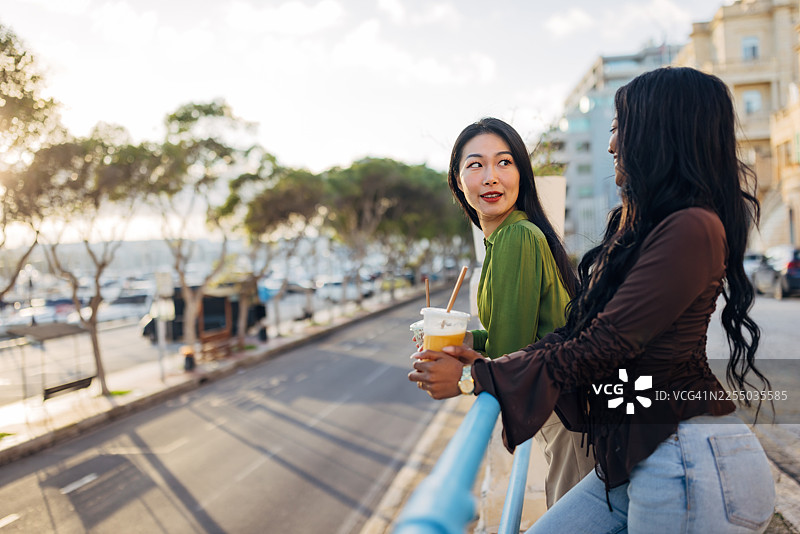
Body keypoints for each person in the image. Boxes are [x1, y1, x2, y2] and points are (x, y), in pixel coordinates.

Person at [410, 67, 776, 533]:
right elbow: (575, 333)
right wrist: (477, 362)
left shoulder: (693, 229)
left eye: (620, 128)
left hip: (690, 464)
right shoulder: (642, 227)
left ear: (660, 133)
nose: (611, 145)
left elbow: (605, 343)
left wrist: (474, 379)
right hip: (637, 460)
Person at [439, 117, 595, 508]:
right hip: (564, 413)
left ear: (522, 175)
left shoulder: (517, 237)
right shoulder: (507, 237)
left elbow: (509, 350)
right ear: (458, 181)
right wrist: (462, 340)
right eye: (475, 165)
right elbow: (512, 335)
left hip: (569, 421)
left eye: (504, 163)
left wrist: (456, 374)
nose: (491, 177)